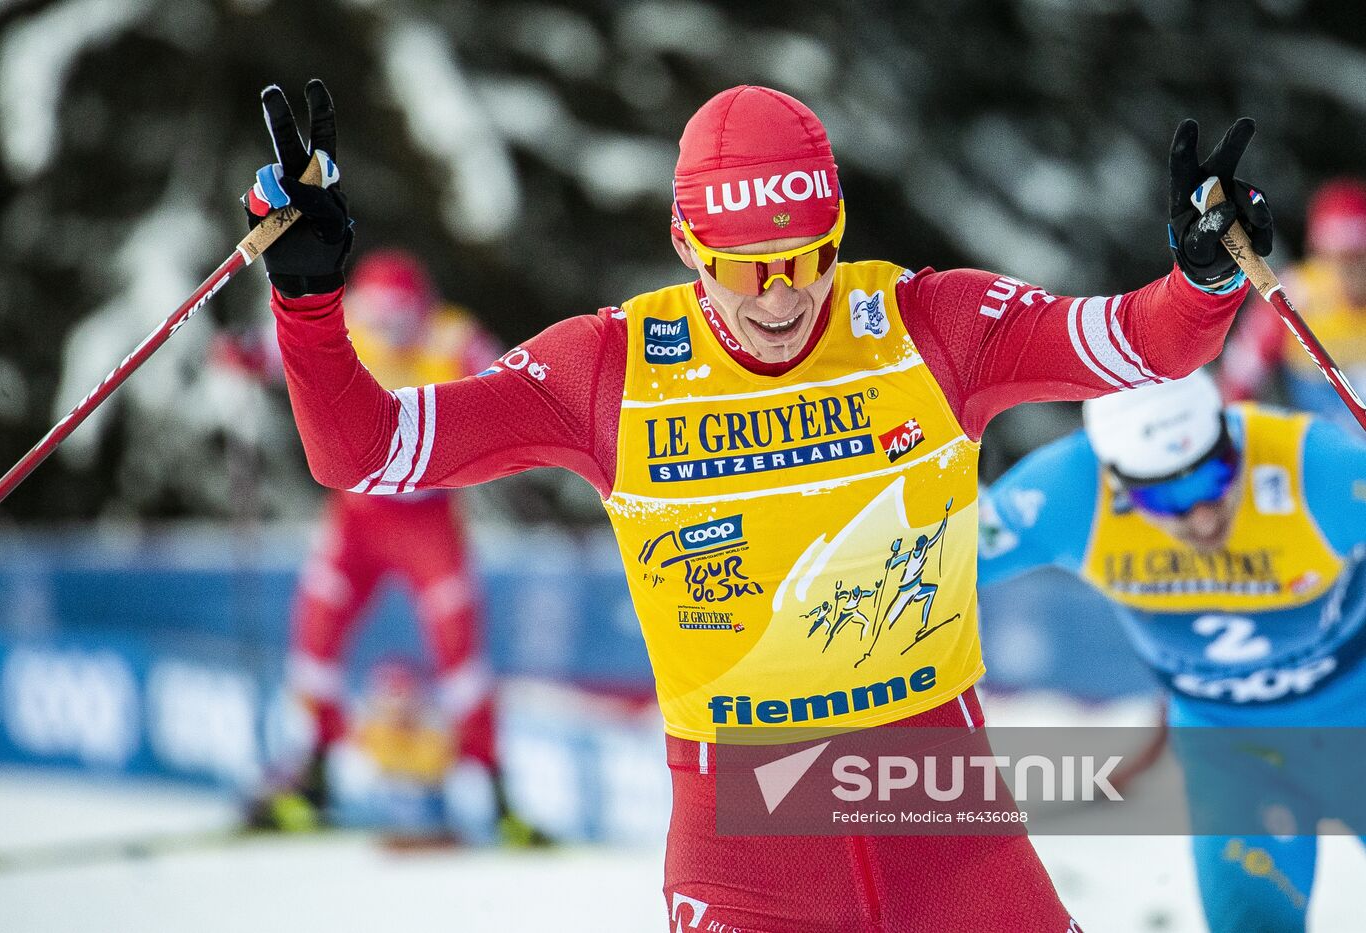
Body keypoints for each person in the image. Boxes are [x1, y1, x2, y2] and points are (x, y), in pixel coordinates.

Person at [241, 78, 1273, 930]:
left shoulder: (928, 325)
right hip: (746, 835)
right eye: (746, 270)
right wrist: (307, 303)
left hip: (941, 816)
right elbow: (362, 451)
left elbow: (1143, 346)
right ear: (689, 247)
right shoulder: (611, 370)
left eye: (806, 259)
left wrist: (1197, 276)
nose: (781, 298)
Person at [978, 370, 1366, 932]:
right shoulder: (1069, 491)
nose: (1202, 515)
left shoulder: (1315, 467)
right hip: (1234, 756)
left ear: (1227, 433)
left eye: (1213, 476)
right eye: (1168, 495)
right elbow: (932, 560)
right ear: (1117, 480)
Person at [243, 248, 534, 842]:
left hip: (427, 517)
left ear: (423, 311)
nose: (390, 335)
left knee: (461, 656)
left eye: (402, 320)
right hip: (360, 514)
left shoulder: (453, 335)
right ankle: (314, 775)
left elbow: (517, 379)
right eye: (379, 319)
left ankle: (498, 796)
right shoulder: (347, 321)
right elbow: (288, 348)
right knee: (317, 634)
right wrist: (244, 355)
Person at [1221, 177, 1366, 428]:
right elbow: (1237, 380)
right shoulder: (1293, 296)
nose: (1345, 271)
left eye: (1357, 257)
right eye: (1331, 257)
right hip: (1319, 447)